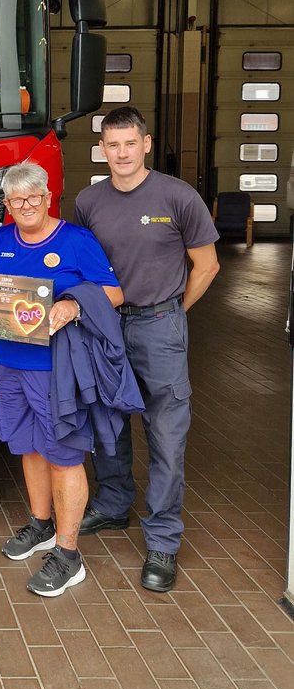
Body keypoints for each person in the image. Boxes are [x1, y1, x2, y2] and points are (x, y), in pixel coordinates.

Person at [74, 105, 220, 592]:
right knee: (109, 421)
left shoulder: (178, 197)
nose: (121, 153)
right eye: (111, 145)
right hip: (106, 326)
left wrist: (176, 310)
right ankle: (114, 505)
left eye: (129, 143)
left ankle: (162, 541)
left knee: (166, 433)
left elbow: (207, 265)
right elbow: (82, 265)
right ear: (101, 149)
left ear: (146, 144)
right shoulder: (89, 202)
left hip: (159, 324)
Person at [0, 162, 125, 596]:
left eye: (33, 198)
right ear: (6, 204)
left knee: (63, 452)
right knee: (27, 445)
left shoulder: (76, 240)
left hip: (57, 367)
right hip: (10, 361)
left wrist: (73, 306)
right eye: (16, 200)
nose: (25, 206)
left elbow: (113, 292)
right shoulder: (0, 238)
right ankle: (41, 524)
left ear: (47, 198)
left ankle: (68, 552)